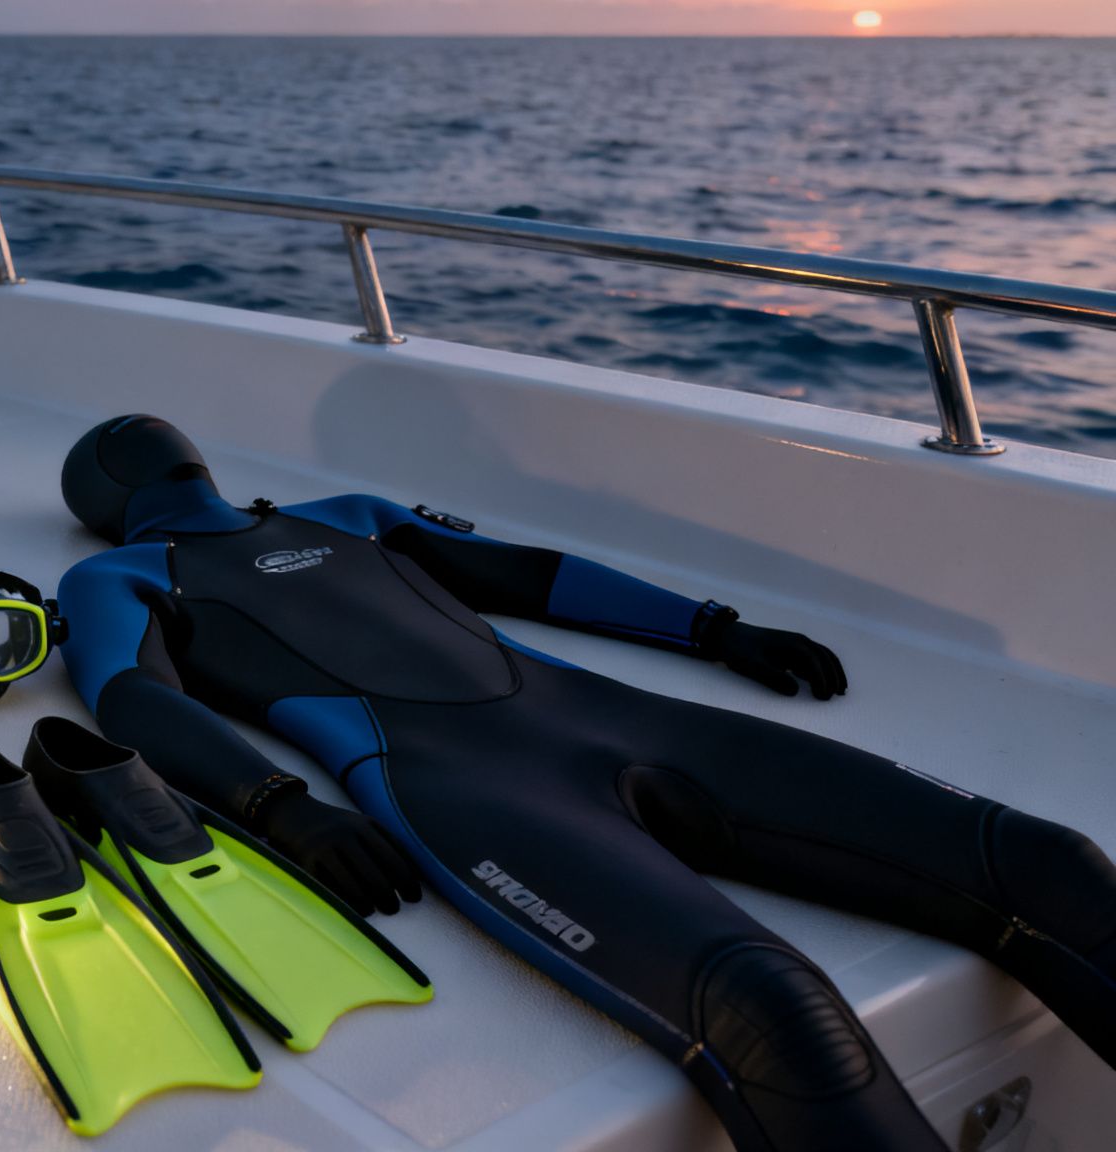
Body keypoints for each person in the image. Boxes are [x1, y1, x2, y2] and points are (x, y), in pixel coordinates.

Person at [55, 414, 1116, 1152]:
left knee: (1044, 864)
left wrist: (714, 630)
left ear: (98, 503)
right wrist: (274, 806)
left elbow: (525, 575)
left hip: (608, 719)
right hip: (460, 785)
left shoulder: (350, 512)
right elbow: (134, 699)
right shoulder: (124, 575)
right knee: (768, 1005)